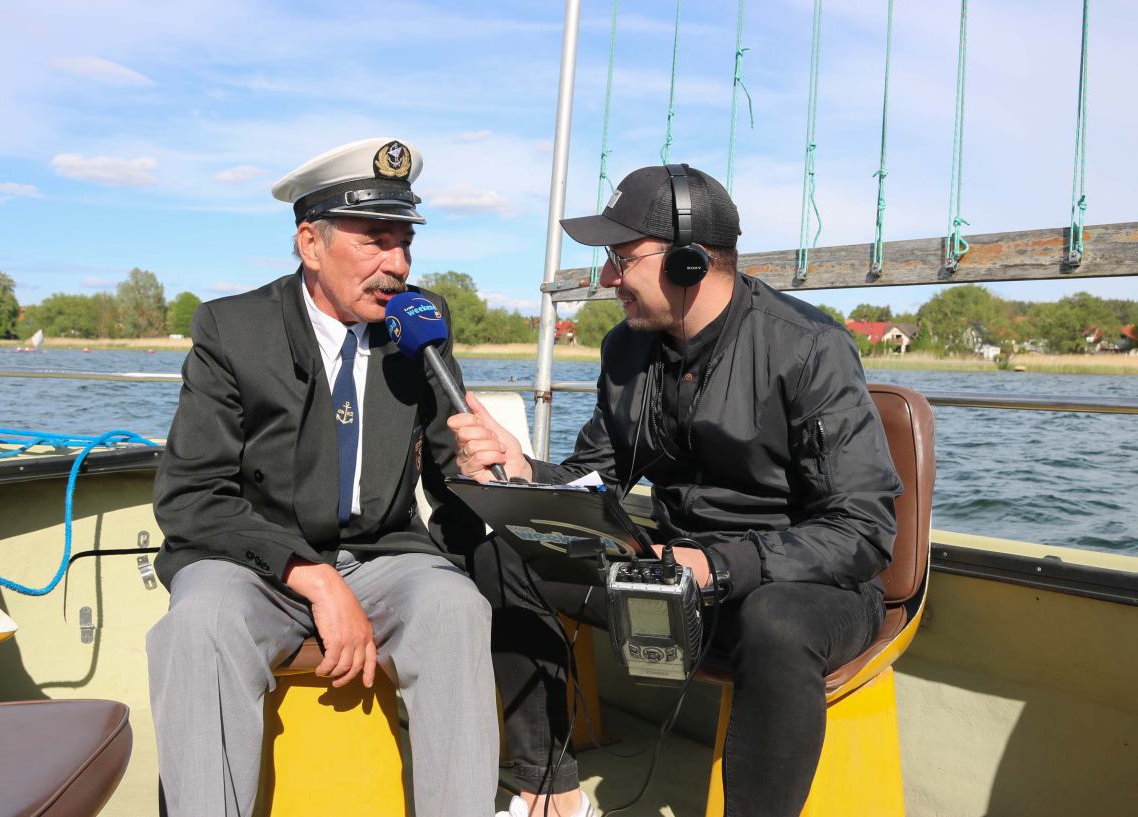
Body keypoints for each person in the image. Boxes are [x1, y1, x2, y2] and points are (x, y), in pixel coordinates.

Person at [449, 164, 903, 817]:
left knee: (775, 620)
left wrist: (717, 565)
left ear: (689, 262)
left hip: (808, 590)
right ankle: (551, 795)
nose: (608, 279)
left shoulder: (808, 349)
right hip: (672, 572)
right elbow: (597, 479)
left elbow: (860, 531)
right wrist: (524, 472)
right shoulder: (625, 350)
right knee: (501, 550)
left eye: (621, 258)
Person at [147, 137, 500, 817]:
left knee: (456, 608)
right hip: (252, 562)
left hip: (381, 555)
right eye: (375, 242)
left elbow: (448, 469)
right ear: (311, 243)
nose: (397, 266)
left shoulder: (420, 322)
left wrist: (483, 474)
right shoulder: (233, 328)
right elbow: (190, 495)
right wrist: (313, 576)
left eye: (405, 243)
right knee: (199, 623)